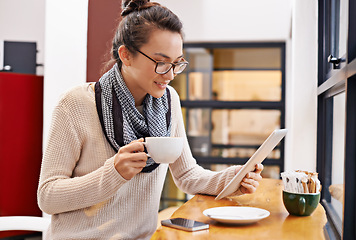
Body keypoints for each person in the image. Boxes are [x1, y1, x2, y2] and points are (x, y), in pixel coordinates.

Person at [37, 0, 263, 239]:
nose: (171, 75)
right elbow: (48, 197)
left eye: (177, 64)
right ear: (126, 55)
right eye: (161, 63)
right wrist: (113, 173)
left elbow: (187, 175)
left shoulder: (169, 101)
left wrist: (233, 179)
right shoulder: (75, 104)